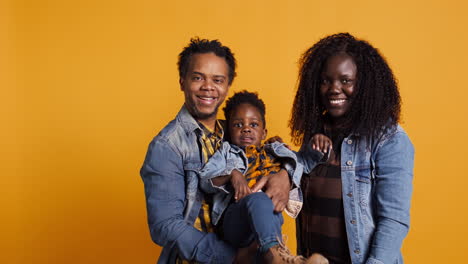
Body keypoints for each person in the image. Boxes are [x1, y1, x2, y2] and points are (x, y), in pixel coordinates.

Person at [140, 38, 292, 264]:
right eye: (197, 77)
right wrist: (232, 258)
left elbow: (275, 154)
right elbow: (165, 225)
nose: (208, 87)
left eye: (217, 80)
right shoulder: (167, 146)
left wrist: (285, 175)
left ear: (228, 85)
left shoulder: (236, 131)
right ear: (182, 81)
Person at [290, 33, 415, 264]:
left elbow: (394, 220)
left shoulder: (389, 139)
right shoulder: (317, 137)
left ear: (364, 85)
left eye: (345, 81)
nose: (334, 89)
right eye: (326, 80)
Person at [198, 91, 330, 264]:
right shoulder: (226, 152)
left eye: (253, 124)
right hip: (236, 222)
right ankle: (277, 256)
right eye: (238, 125)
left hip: (268, 222)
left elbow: (302, 162)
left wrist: (317, 145)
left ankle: (285, 259)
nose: (246, 128)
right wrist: (233, 174)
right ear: (229, 132)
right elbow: (205, 180)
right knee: (259, 199)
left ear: (263, 133)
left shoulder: (275, 150)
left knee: (269, 207)